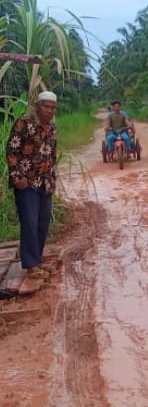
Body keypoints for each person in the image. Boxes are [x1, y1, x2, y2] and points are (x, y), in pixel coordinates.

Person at [5, 89, 58, 279]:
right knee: (29, 222)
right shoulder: (24, 123)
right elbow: (12, 150)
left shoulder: (51, 128)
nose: (49, 111)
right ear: (38, 106)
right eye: (46, 106)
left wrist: (53, 178)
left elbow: (52, 154)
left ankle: (37, 259)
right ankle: (31, 265)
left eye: (52, 108)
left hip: (45, 182)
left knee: (42, 223)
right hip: (26, 183)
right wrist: (17, 176)